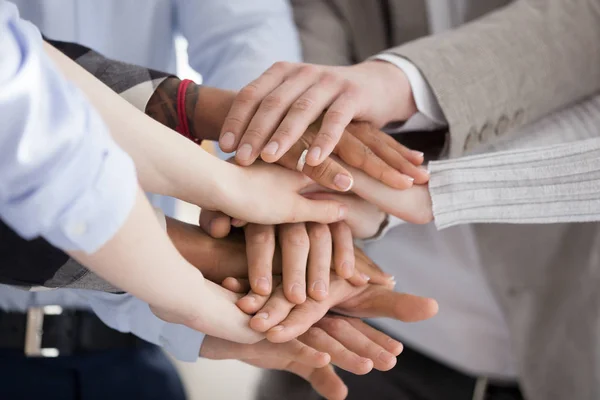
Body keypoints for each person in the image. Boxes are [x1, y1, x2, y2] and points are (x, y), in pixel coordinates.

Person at [235, 1, 600, 400]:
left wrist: (404, 83)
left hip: (568, 338)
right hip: (367, 320)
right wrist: (300, 152)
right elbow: (306, 23)